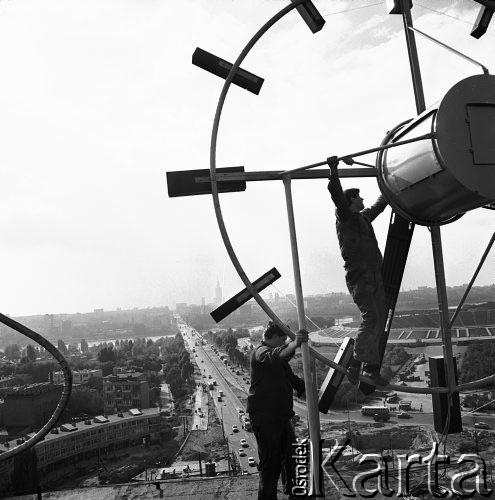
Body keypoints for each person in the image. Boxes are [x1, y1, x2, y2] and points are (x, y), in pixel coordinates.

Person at [327, 156, 389, 387]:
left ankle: (372, 369)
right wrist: (334, 169)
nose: (363, 199)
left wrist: (389, 184)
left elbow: (380, 205)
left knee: (379, 320)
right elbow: (335, 193)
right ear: (352, 199)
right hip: (360, 275)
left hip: (374, 274)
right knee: (371, 317)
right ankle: (355, 364)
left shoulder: (363, 218)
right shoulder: (345, 217)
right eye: (360, 197)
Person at [247, 321, 307, 500]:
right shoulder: (260, 352)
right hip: (265, 418)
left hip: (281, 417)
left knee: (292, 456)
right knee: (271, 463)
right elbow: (275, 354)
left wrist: (313, 391)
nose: (284, 345)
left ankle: (294, 493)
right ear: (272, 338)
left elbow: (294, 381)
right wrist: (295, 342)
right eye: (282, 341)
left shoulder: (278, 360)